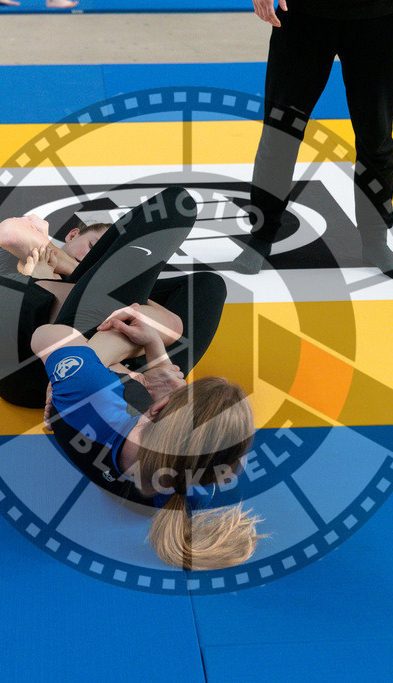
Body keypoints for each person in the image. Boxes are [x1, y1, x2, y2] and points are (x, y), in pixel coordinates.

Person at [30, 190, 262, 570]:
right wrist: (156, 352)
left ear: (159, 407)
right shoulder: (191, 488)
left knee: (174, 206)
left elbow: (46, 336)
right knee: (208, 287)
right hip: (120, 386)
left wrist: (101, 359)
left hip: (85, 361)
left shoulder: (97, 401)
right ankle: (90, 281)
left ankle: (75, 273)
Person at [233, 0, 393, 278]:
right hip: (301, 18)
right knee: (280, 133)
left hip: (377, 18)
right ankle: (262, 236)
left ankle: (375, 242)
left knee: (376, 138)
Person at [0, 189, 227, 409]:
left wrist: (70, 273)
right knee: (176, 202)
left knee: (207, 285)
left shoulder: (80, 286)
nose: (106, 269)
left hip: (51, 377)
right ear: (71, 236)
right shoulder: (18, 256)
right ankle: (102, 369)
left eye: (111, 265)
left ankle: (127, 382)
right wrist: (64, 267)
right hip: (14, 347)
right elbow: (10, 232)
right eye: (94, 249)